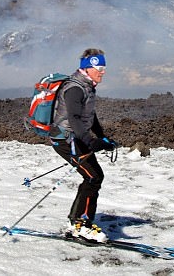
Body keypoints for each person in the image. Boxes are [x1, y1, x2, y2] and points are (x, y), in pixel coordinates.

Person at [51, 47, 117, 243]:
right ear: (88, 68)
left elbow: (90, 115)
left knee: (93, 177)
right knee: (93, 177)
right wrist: (90, 141)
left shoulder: (87, 86)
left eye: (104, 68)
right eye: (100, 68)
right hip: (66, 140)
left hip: (76, 138)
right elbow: (74, 119)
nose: (103, 72)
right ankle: (82, 225)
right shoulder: (74, 88)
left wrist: (102, 137)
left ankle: (76, 223)